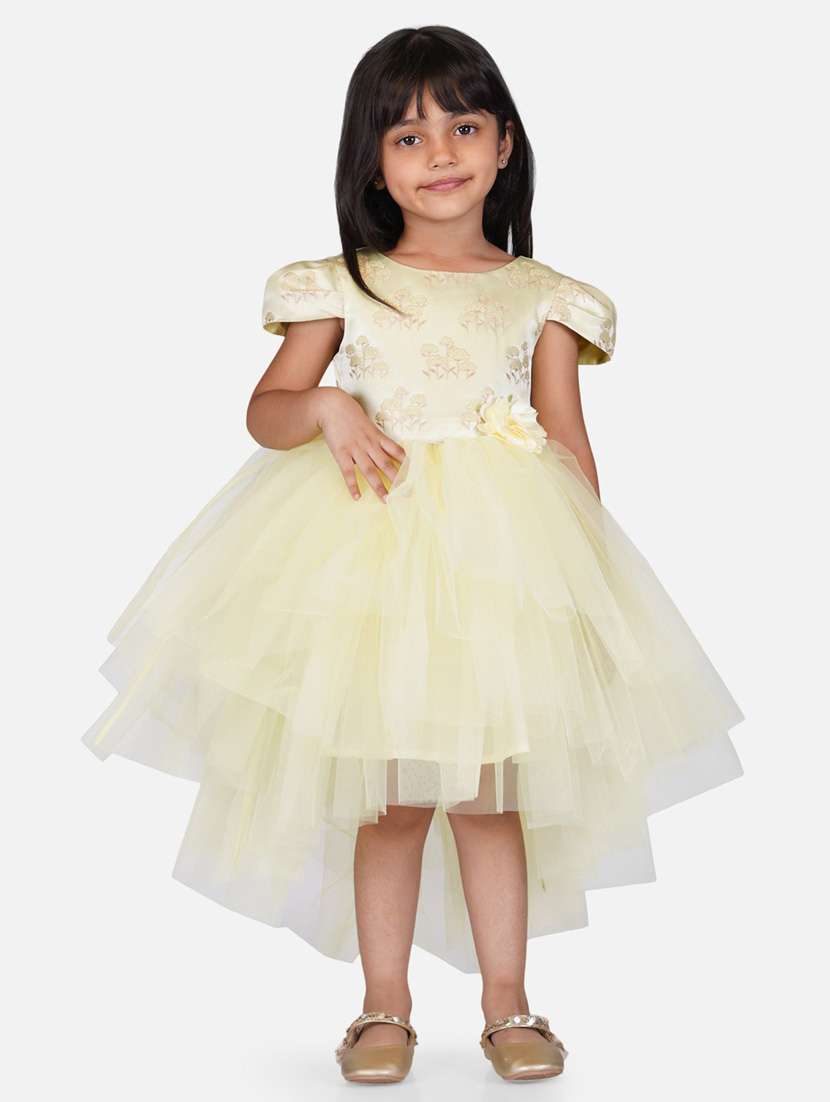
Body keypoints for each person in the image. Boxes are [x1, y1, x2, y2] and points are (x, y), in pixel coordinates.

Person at [82, 24, 746, 1085]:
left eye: (463, 127)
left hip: (500, 578)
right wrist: (327, 407)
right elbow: (266, 413)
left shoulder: (544, 296)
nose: (439, 153)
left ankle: (507, 1003)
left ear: (505, 144)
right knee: (389, 799)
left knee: (488, 799)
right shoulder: (342, 284)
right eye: (406, 135)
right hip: (372, 573)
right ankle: (380, 1005)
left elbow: (568, 444)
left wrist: (590, 596)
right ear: (372, 163)